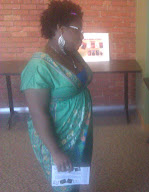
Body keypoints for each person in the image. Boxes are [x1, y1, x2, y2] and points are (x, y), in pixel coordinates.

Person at [20, 1, 93, 191]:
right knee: (65, 184)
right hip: (59, 136)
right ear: (61, 29)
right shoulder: (38, 68)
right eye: (78, 30)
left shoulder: (70, 53)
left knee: (79, 174)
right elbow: (38, 114)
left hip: (81, 131)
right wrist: (56, 152)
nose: (82, 35)